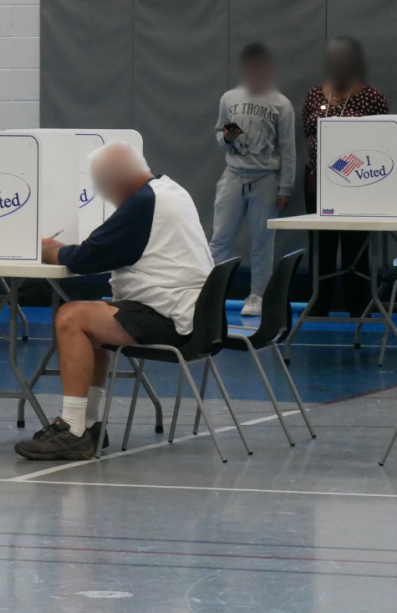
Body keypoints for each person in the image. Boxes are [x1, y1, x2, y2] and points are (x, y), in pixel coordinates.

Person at [16, 142, 214, 462]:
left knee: (71, 317)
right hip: (192, 314)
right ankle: (89, 424)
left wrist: (50, 250)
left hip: (170, 319)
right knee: (94, 319)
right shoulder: (169, 189)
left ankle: (72, 429)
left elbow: (87, 257)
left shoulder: (142, 203)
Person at [302, 37, 389, 317]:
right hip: (318, 181)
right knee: (322, 247)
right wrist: (313, 172)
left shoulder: (372, 97)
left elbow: (382, 140)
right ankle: (319, 301)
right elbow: (308, 135)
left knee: (356, 248)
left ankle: (358, 305)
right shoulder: (315, 95)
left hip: (357, 184)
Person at [209, 43, 296, 317]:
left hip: (265, 178)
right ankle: (207, 293)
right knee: (220, 237)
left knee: (262, 240)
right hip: (233, 174)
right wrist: (226, 137)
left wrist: (285, 187)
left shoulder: (281, 103)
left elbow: (288, 148)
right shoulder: (229, 98)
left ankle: (258, 295)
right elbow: (219, 133)